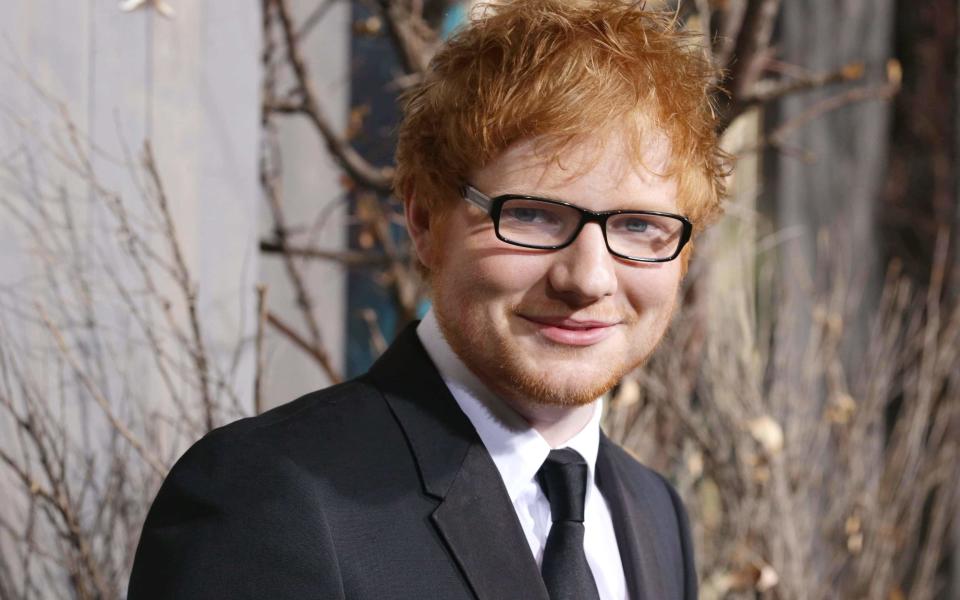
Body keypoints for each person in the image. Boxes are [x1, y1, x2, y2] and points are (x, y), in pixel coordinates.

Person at [128, 1, 726, 598]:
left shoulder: (656, 514)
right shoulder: (265, 498)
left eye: (640, 227)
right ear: (423, 218)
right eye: (534, 215)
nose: (588, 278)